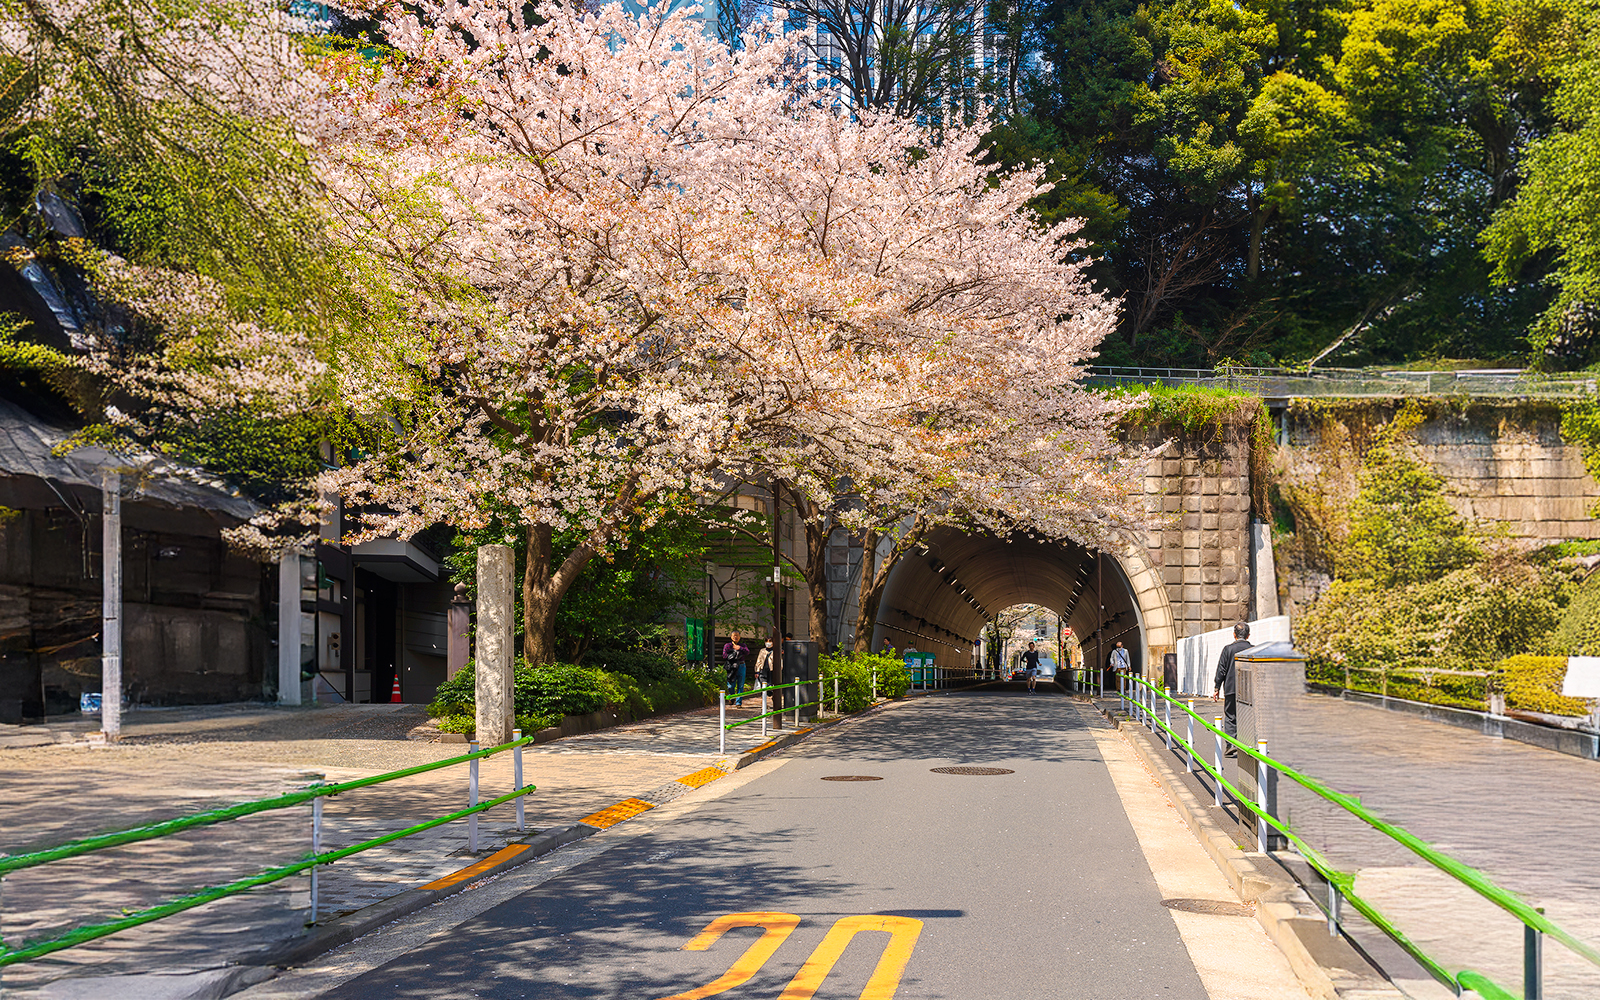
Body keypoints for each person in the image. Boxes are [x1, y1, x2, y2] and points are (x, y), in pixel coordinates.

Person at [1212, 622, 1252, 757]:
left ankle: (1230, 745)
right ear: (1248, 635)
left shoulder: (1228, 649)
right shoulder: (1252, 649)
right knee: (1247, 716)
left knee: (1230, 716)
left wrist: (1217, 687)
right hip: (1248, 690)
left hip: (1231, 688)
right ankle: (1248, 747)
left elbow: (1221, 670)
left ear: (1234, 635)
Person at [722, 631, 749, 707]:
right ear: (731, 637)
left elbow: (747, 652)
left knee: (740, 685)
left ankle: (738, 703)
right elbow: (724, 655)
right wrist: (732, 654)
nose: (735, 637)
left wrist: (740, 648)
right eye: (734, 636)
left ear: (740, 637)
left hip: (741, 665)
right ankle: (732, 696)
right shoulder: (727, 645)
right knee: (730, 685)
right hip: (731, 666)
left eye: (737, 635)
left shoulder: (743, 645)